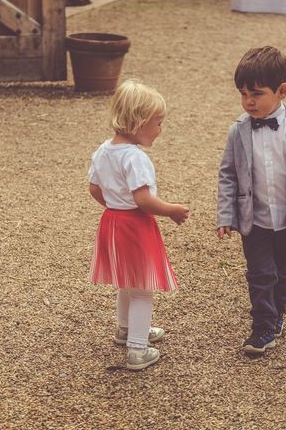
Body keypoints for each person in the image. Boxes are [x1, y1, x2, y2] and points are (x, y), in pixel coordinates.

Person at [217, 46, 286, 355]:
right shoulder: (237, 132)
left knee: (282, 271)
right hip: (255, 219)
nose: (248, 101)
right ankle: (262, 327)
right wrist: (226, 215)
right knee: (261, 273)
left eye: (257, 94)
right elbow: (227, 175)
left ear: (282, 91)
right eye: (243, 94)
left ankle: (276, 315)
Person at [88, 79, 189, 370]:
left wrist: (114, 207)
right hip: (134, 226)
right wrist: (170, 210)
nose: (160, 129)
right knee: (143, 287)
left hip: (113, 223)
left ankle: (126, 329)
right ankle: (137, 349)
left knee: (126, 281)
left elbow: (94, 189)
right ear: (139, 123)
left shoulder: (104, 150)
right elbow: (143, 200)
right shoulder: (135, 158)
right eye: (158, 123)